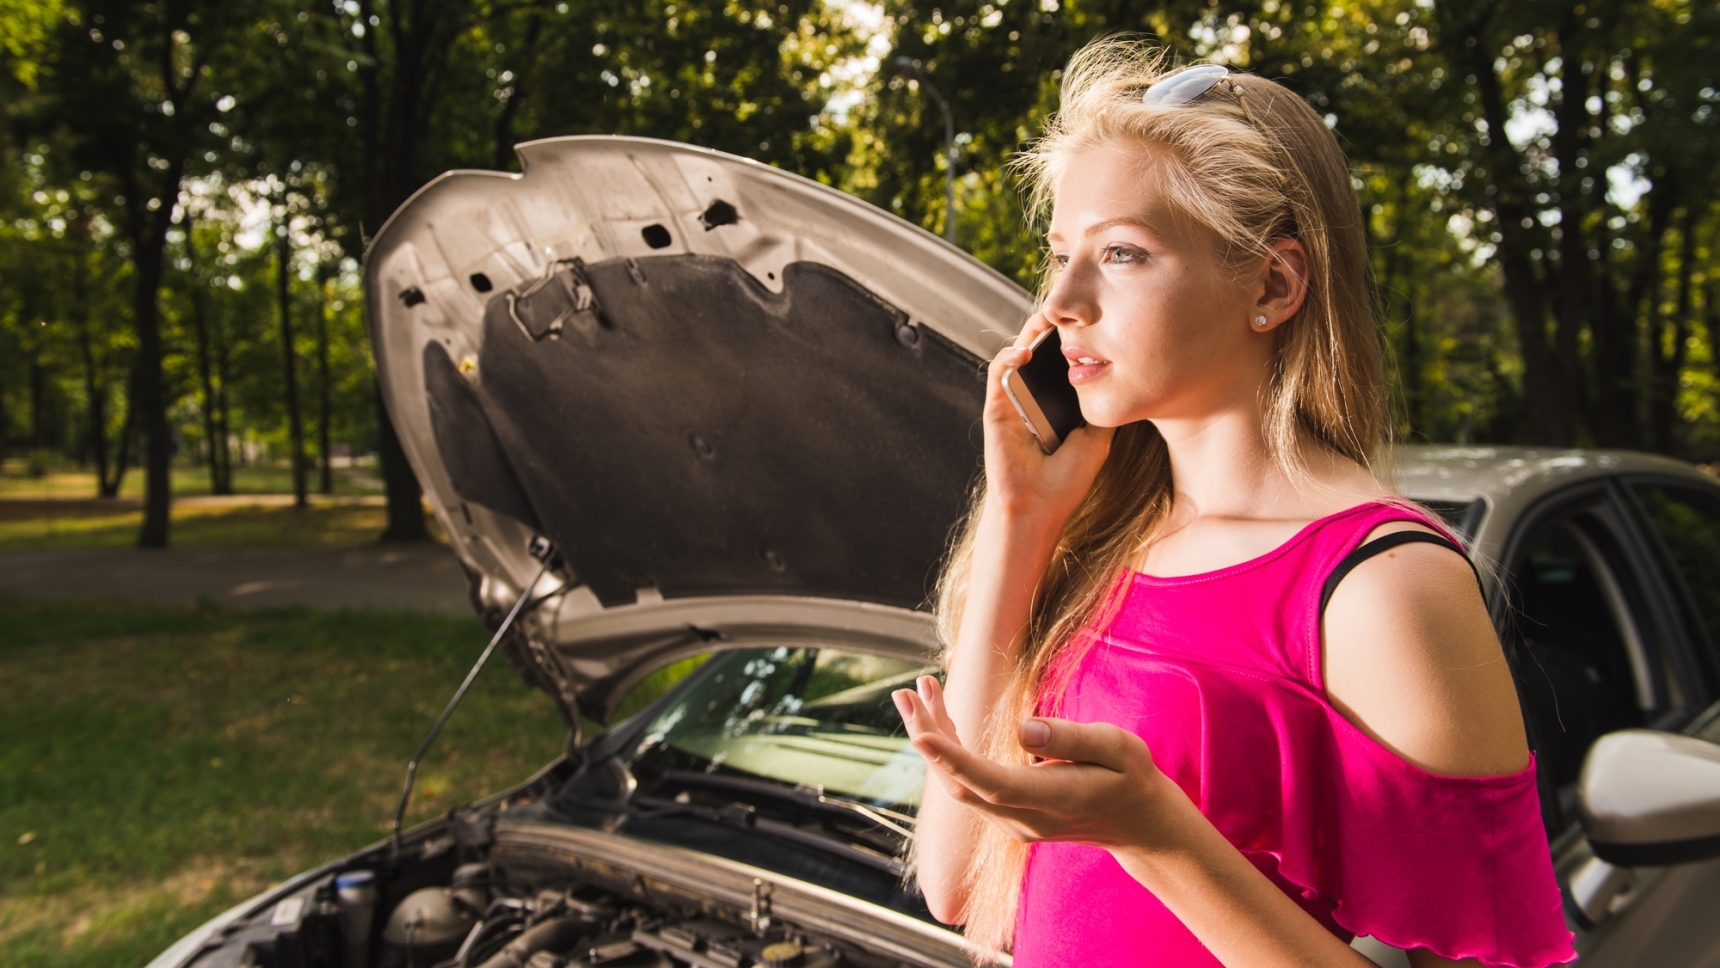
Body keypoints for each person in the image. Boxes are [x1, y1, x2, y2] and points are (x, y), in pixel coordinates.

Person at [891, 39, 1577, 968]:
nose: (1060, 301)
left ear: (1273, 284)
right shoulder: (1095, 541)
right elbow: (957, 882)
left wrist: (1159, 837)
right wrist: (1019, 517)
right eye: (1060, 255)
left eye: (1122, 254)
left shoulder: (1383, 586)